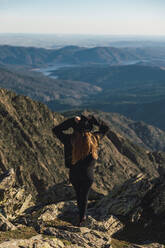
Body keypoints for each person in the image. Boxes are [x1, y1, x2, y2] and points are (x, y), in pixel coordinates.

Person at [52, 114, 109, 226]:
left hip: (74, 174)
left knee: (79, 195)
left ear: (75, 128)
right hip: (88, 175)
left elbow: (56, 130)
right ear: (90, 128)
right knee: (84, 196)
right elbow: (105, 128)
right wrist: (93, 120)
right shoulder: (95, 139)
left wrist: (72, 121)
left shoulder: (70, 140)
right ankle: (82, 216)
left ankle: (81, 216)